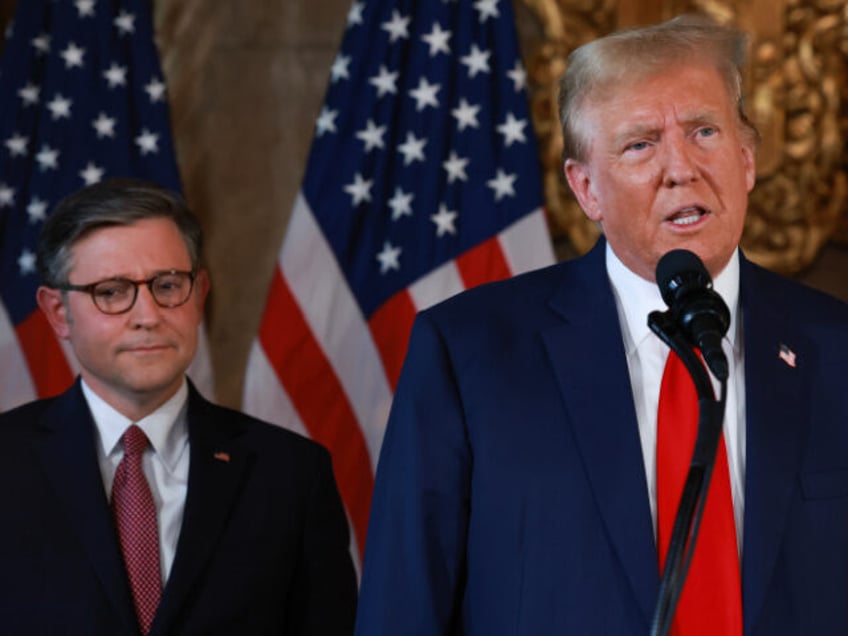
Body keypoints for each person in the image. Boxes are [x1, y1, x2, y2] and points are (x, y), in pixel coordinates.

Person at [354, 14, 848, 635]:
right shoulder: (468, 354)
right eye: (641, 144)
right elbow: (402, 612)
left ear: (747, 160)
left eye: (704, 131)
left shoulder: (838, 351)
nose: (681, 167)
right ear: (586, 189)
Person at [0, 178, 357, 635]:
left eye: (168, 285)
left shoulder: (290, 474)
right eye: (111, 292)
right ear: (57, 312)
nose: (148, 315)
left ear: (200, 292)